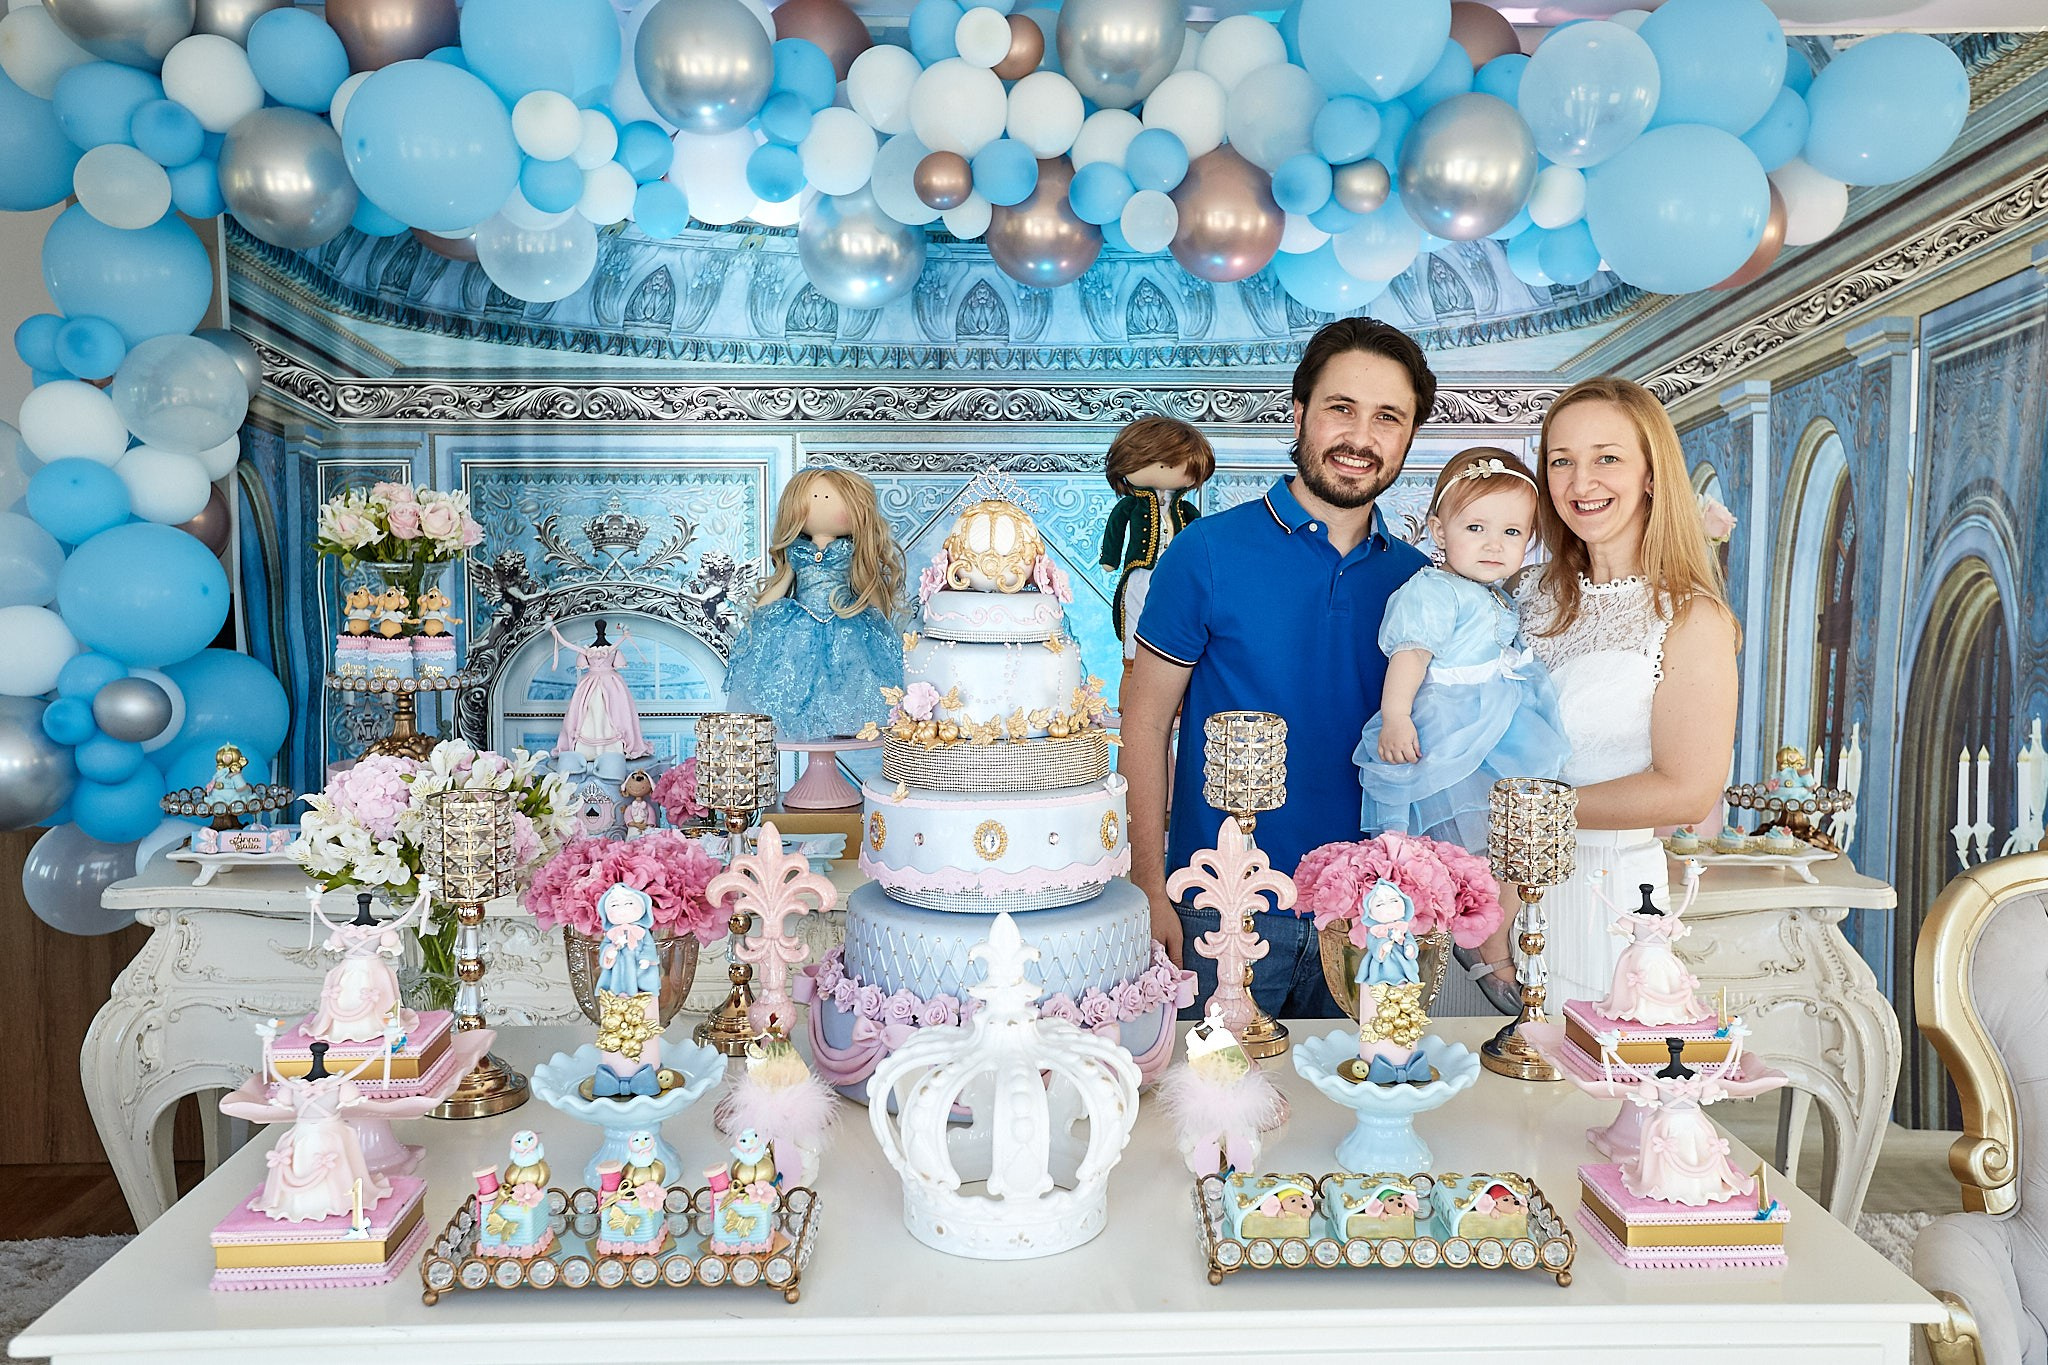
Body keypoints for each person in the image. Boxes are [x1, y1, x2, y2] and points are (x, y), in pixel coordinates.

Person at [1123, 317, 1434, 1018]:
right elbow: (1144, 724)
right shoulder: (1205, 552)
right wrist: (1147, 883)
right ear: (1298, 414)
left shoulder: (1424, 586)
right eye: (1341, 408)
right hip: (1216, 903)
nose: (1361, 437)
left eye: (1388, 417)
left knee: (1362, 1086)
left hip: (1371, 916)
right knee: (1206, 1087)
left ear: (1410, 435)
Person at [1468, 377, 1740, 1011]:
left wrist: (1525, 815)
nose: (1580, 481)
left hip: (1605, 896)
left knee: (1575, 1067)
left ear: (1651, 475)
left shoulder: (1690, 617)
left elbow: (1688, 790)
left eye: (1607, 458)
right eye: (1561, 460)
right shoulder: (1520, 592)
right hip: (1482, 890)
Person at [1354, 447, 1569, 852]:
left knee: (1498, 823)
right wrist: (1396, 716)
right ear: (1439, 532)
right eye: (1475, 528)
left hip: (1493, 719)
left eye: (1511, 532)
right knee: (1449, 818)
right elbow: (1411, 655)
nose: (1493, 545)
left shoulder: (1492, 592)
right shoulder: (1434, 591)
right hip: (1451, 723)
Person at [722, 467, 905, 741]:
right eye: (816, 497)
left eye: (832, 498)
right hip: (798, 627)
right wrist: (762, 615)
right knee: (796, 679)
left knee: (847, 679)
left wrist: (879, 620)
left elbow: (868, 583)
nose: (822, 503)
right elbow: (781, 584)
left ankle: (838, 727)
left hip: (847, 622)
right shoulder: (796, 552)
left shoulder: (851, 551)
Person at [1098, 416, 1214, 692]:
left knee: (1178, 627)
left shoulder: (1186, 511)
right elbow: (1115, 529)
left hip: (1179, 579)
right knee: (1135, 623)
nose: (1167, 469)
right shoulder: (1130, 506)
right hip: (1141, 572)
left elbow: (1200, 542)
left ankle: (1177, 695)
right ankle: (1130, 688)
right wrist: (1110, 559)